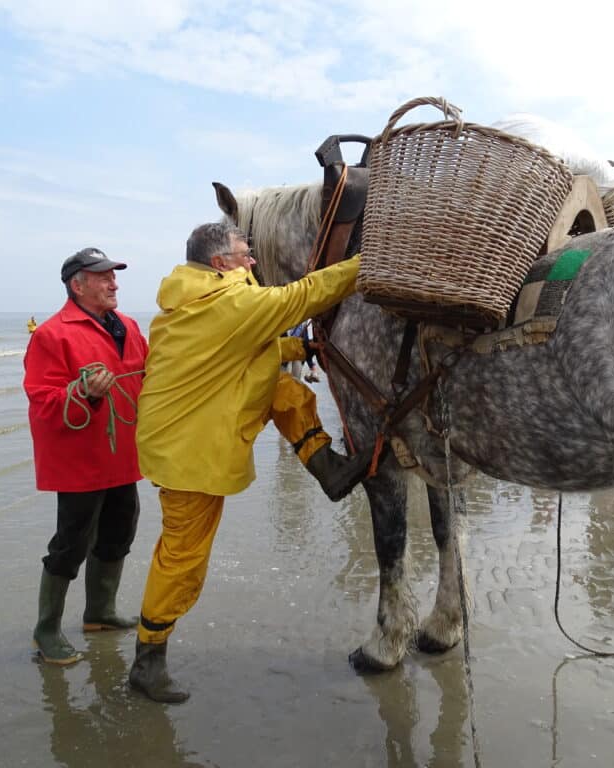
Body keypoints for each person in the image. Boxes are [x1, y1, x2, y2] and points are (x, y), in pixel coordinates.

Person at [128, 222, 371, 703]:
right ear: (220, 263)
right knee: (183, 559)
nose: (253, 261)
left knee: (285, 390)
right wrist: (372, 261)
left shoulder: (199, 300)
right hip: (189, 454)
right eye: (245, 254)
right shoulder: (226, 302)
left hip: (184, 437)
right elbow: (302, 296)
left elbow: (241, 349)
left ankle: (329, 471)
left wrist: (299, 347)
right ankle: (147, 659)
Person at [23, 248, 149, 665]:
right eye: (103, 277)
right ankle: (46, 631)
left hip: (123, 456)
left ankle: (99, 612)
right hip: (80, 462)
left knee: (120, 532)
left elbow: (151, 377)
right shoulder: (51, 335)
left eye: (114, 276)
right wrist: (84, 393)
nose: (114, 283)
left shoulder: (129, 327)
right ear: (77, 285)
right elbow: (42, 402)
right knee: (70, 545)